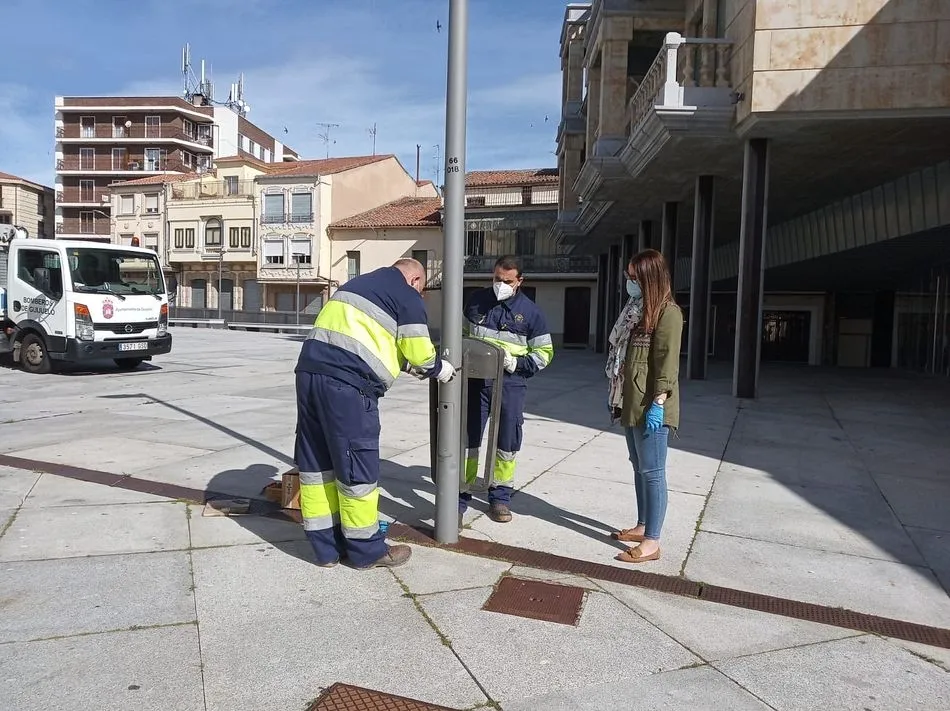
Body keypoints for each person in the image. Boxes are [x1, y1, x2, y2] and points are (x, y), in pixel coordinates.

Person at [294, 258, 455, 570]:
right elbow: (420, 353)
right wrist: (440, 369)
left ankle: (326, 550)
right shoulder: (406, 294)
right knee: (357, 467)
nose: (420, 295)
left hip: (309, 376)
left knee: (317, 464)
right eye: (422, 289)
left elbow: (372, 343)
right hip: (348, 387)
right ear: (416, 280)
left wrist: (409, 365)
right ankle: (366, 550)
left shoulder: (357, 285)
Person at [460, 255, 554, 525]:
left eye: (508, 281)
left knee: (507, 441)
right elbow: (461, 335)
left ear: (520, 281)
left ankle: (500, 497)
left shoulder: (531, 313)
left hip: (511, 383)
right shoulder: (476, 301)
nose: (500, 285)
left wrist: (517, 364)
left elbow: (545, 353)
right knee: (468, 438)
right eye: (497, 279)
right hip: (475, 381)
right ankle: (461, 494)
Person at [607, 249, 683, 564]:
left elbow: (667, 362)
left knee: (653, 471)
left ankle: (652, 542)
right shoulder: (635, 312)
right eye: (628, 276)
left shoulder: (668, 313)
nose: (629, 282)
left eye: (634, 277)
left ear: (649, 278)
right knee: (638, 466)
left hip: (651, 404)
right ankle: (642, 526)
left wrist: (659, 402)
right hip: (630, 401)